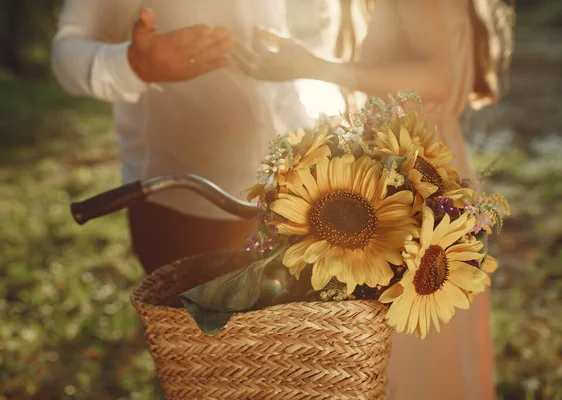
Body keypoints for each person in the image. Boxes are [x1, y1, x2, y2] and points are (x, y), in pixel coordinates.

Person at [236, 0, 515, 399]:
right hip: (417, 167)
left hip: (414, 178)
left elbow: (438, 77)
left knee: (410, 340)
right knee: (416, 336)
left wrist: (310, 66)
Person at [51, 0, 315, 274]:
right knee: (183, 316)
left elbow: (276, 69)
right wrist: (132, 65)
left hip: (280, 196)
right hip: (184, 205)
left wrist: (310, 141)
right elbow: (66, 54)